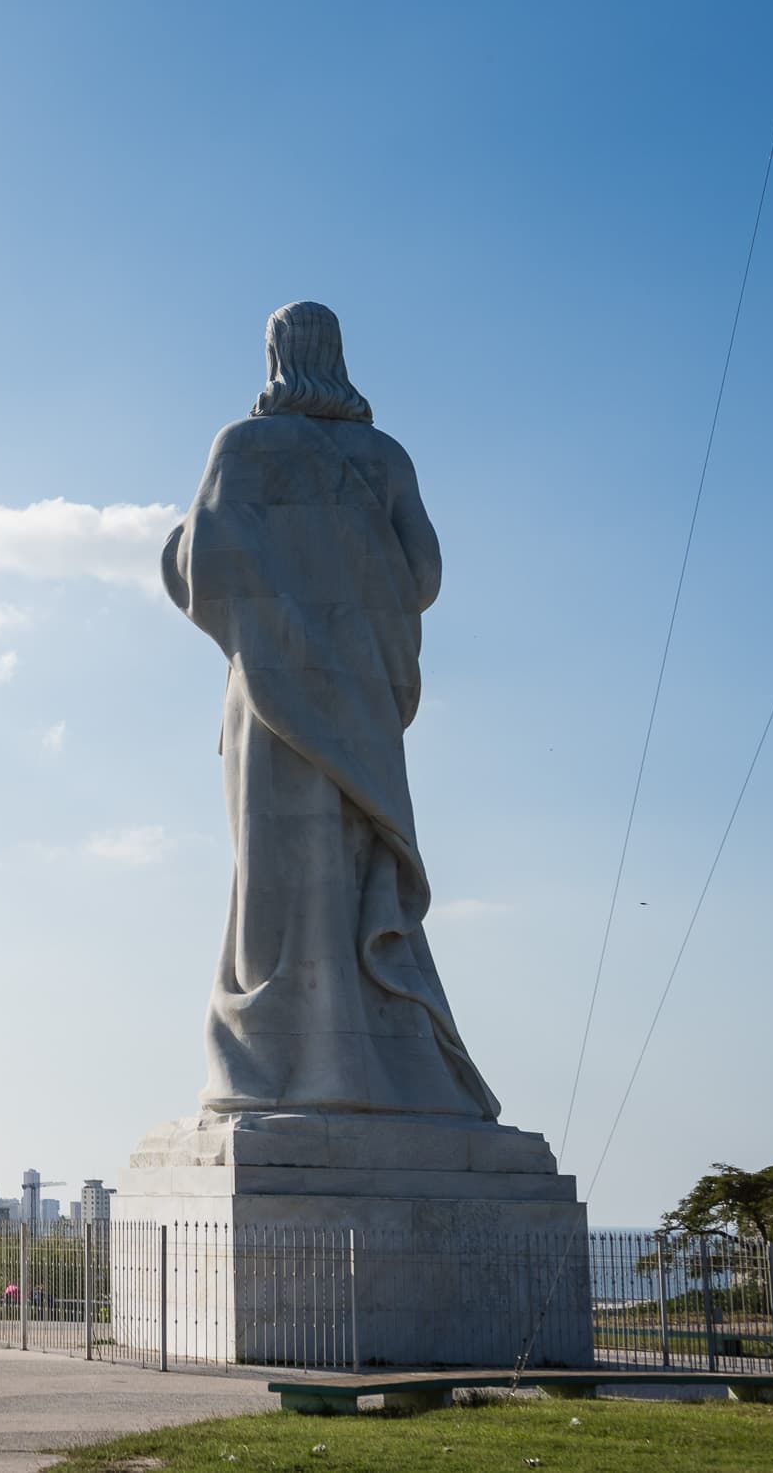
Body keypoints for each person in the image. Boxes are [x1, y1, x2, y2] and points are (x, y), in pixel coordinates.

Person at [160, 300, 499, 1119]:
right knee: (352, 876)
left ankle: (277, 1068)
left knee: (273, 888)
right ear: (337, 355)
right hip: (361, 710)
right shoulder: (384, 459)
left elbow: (194, 565)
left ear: (274, 355)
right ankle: (370, 1063)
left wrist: (258, 595)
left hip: (269, 703)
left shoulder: (241, 449)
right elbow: (422, 574)